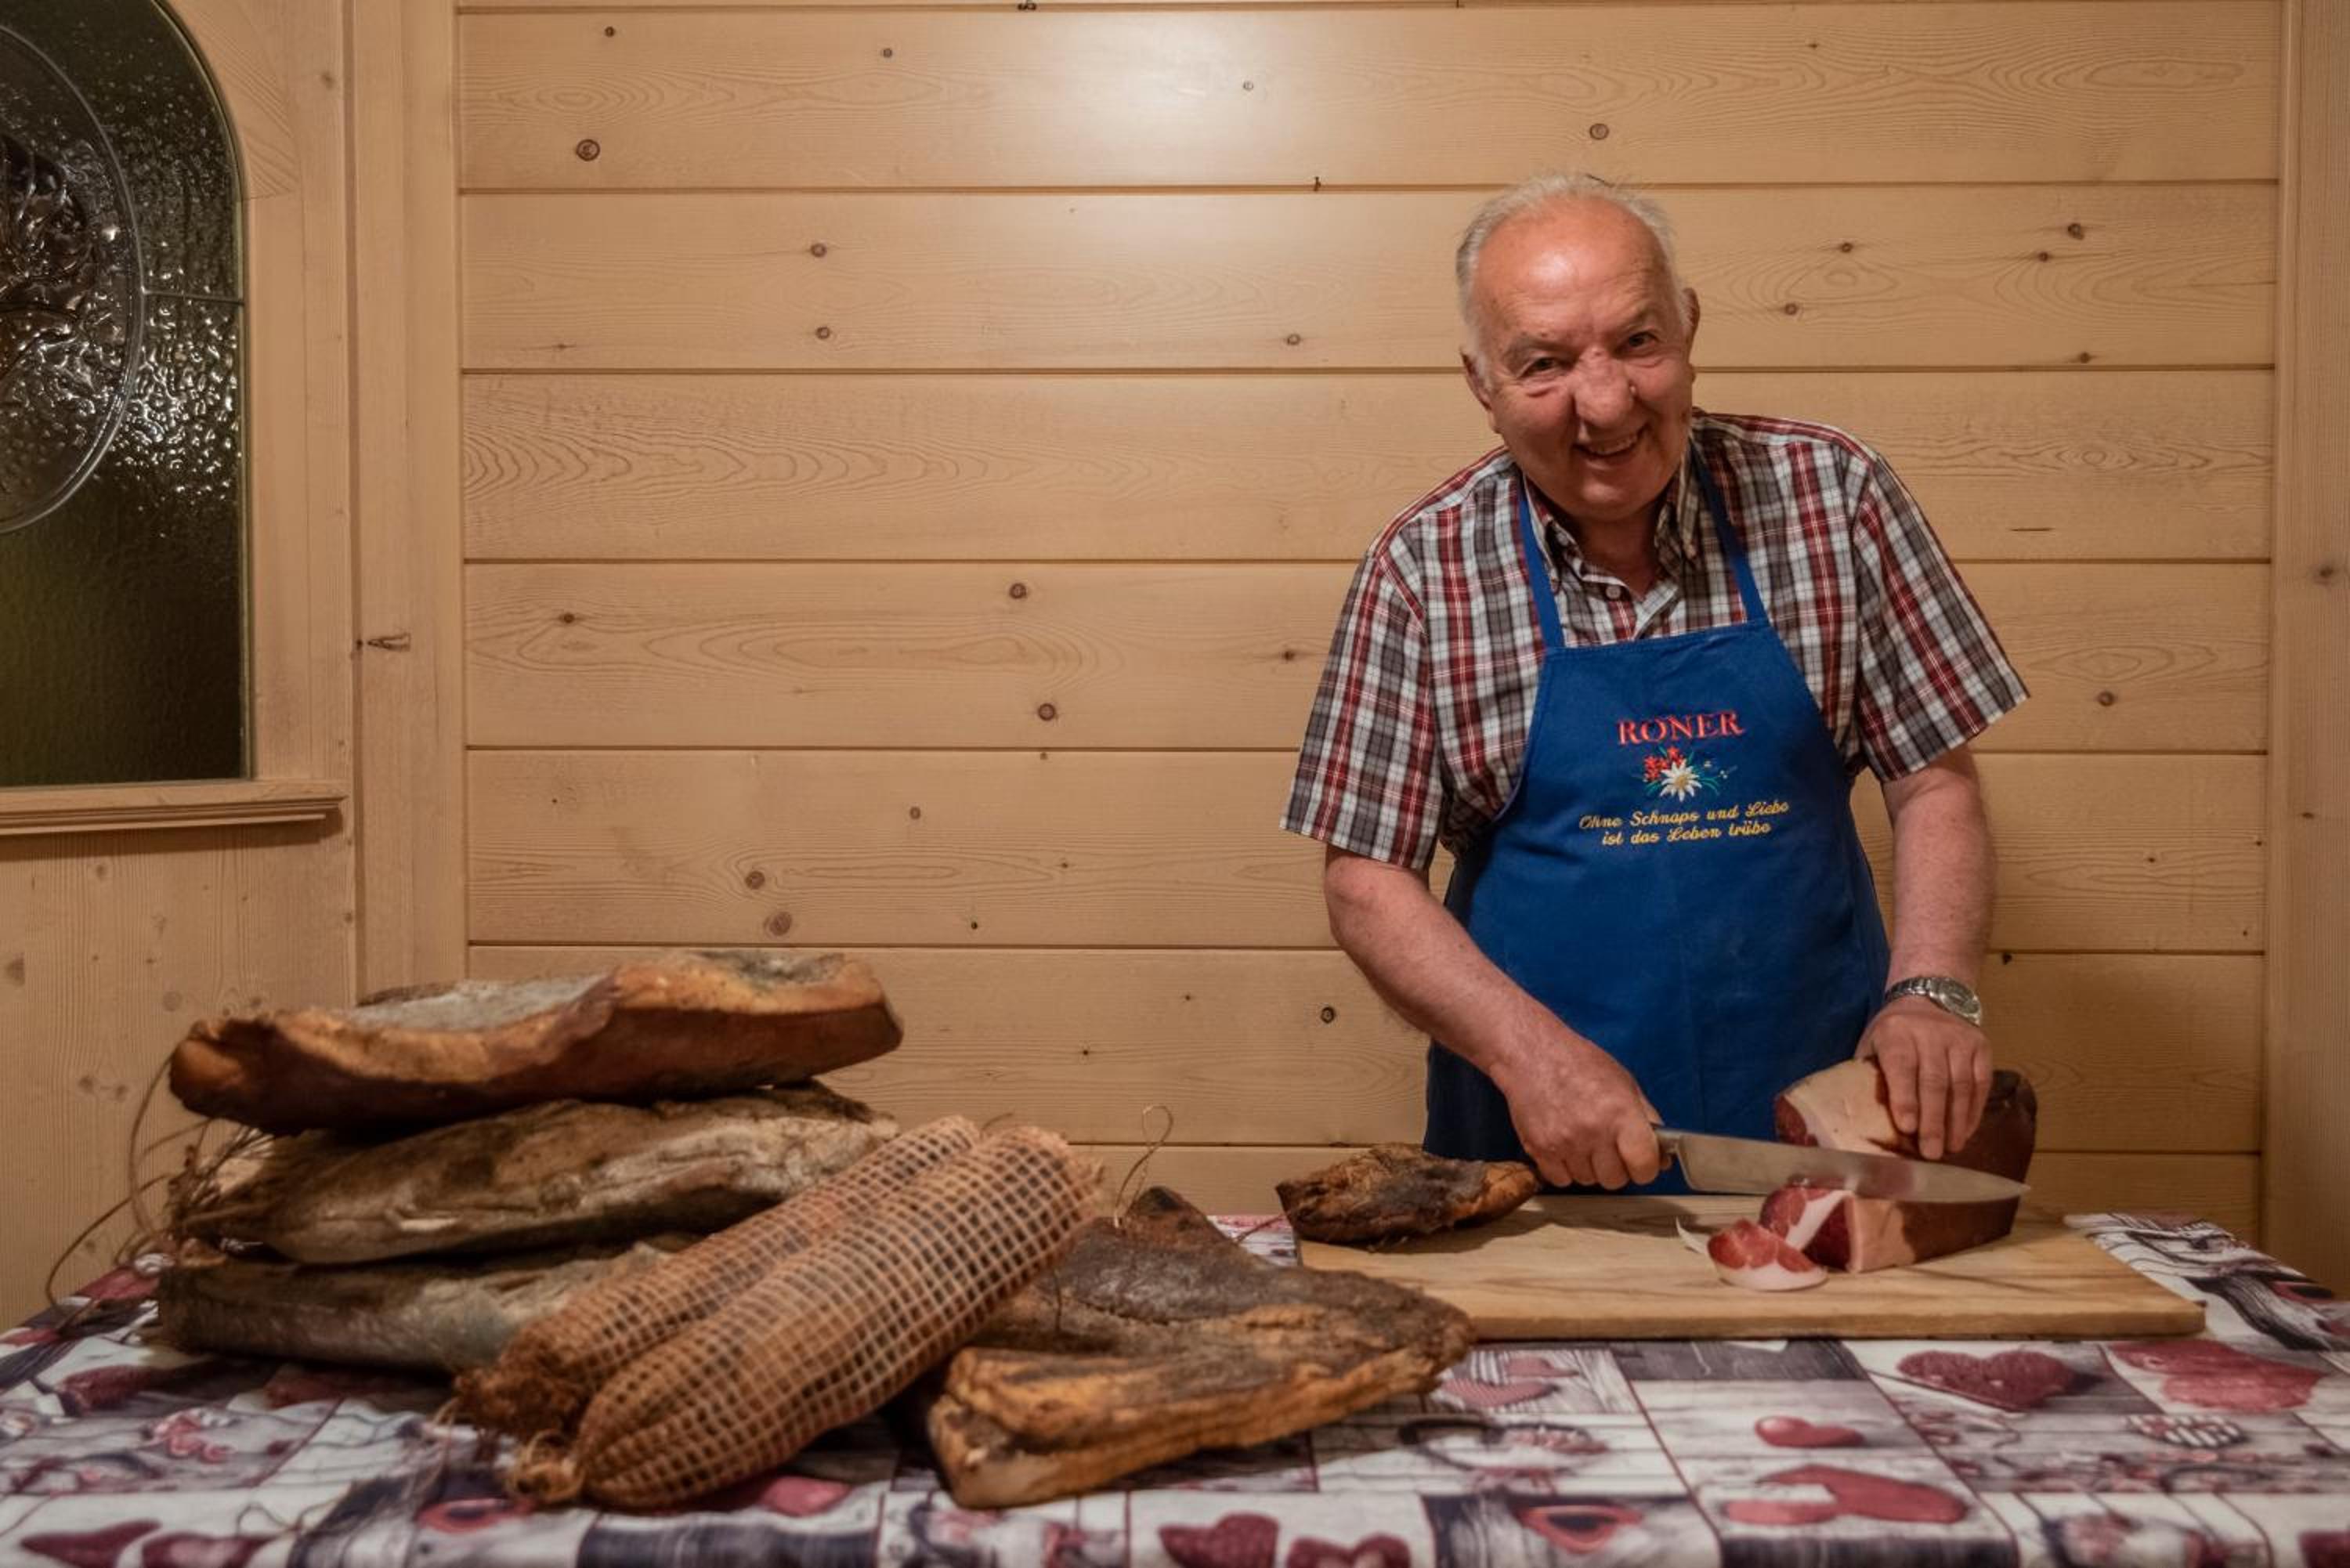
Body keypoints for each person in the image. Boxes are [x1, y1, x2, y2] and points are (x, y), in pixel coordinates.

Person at [1282, 172, 2026, 1193]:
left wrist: (1934, 992)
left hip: (1828, 1125)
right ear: (1481, 384)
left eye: (1638, 342)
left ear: (1689, 327)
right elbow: (1365, 882)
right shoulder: (1423, 567)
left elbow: (1934, 779)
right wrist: (1528, 1056)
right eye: (1544, 364)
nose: (1604, 403)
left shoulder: (1833, 495)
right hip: (1539, 1141)